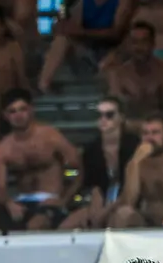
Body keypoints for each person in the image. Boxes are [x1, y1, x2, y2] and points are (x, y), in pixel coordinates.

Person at [0, 88, 82, 231]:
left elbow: (77, 170)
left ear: (31, 110)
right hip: (21, 202)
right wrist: (9, 203)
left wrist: (64, 199)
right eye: (12, 111)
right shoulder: (3, 148)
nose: (18, 115)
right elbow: (0, 188)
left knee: (35, 225)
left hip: (50, 201)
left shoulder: (50, 136)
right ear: (5, 116)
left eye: (22, 109)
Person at [58, 96, 139, 230]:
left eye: (109, 115)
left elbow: (130, 188)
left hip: (130, 201)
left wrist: (106, 211)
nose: (103, 119)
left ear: (121, 118)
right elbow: (93, 186)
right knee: (65, 227)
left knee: (121, 217)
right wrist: (96, 210)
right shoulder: (92, 149)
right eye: (99, 115)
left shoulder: (134, 145)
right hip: (103, 198)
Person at [108, 116, 163, 229]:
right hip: (145, 222)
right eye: (145, 133)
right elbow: (128, 202)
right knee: (123, 213)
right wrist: (135, 163)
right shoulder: (136, 163)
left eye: (155, 133)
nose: (149, 138)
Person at [37, 0, 137, 94]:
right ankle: (44, 84)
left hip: (113, 49)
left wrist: (81, 31)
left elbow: (115, 32)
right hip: (86, 47)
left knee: (112, 64)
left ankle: (112, 99)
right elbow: (73, 26)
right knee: (62, 39)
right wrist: (64, 27)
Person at [105, 22, 163, 123]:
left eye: (144, 42)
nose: (139, 47)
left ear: (153, 43)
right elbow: (114, 110)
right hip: (128, 129)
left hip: (161, 127)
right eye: (134, 42)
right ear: (128, 45)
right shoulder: (117, 74)